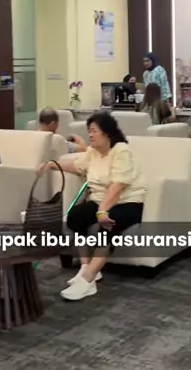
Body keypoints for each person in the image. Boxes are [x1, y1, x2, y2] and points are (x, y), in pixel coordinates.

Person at [39, 111, 146, 301]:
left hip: (127, 202)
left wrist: (102, 211)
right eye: (89, 131)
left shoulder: (121, 151)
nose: (90, 135)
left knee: (107, 227)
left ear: (107, 133)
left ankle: (88, 281)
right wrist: (53, 164)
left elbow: (118, 185)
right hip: (99, 201)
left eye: (94, 131)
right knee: (75, 217)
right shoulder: (92, 152)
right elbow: (77, 166)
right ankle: (86, 267)